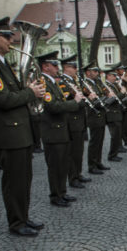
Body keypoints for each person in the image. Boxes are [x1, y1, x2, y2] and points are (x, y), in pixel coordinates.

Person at [0, 17, 46, 237]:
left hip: (18, 131)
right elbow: (3, 99)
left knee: (23, 179)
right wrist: (30, 93)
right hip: (8, 132)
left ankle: (23, 216)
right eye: (6, 36)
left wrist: (25, 90)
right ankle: (16, 222)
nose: (11, 40)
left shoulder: (1, 63)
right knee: (14, 181)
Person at [38, 51, 81, 207]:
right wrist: (75, 102)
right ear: (45, 66)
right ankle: (55, 195)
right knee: (55, 166)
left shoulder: (53, 82)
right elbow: (53, 106)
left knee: (63, 164)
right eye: (54, 65)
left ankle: (62, 192)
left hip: (61, 130)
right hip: (52, 131)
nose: (58, 68)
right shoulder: (43, 82)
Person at [60, 55, 91, 189]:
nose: (76, 70)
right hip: (72, 120)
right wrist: (80, 100)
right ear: (66, 68)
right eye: (73, 67)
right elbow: (67, 101)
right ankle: (72, 177)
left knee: (79, 150)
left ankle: (78, 173)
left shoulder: (74, 81)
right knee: (73, 152)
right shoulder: (63, 82)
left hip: (80, 120)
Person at [103, 66, 127, 162]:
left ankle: (115, 153)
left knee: (118, 135)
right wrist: (121, 93)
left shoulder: (113, 85)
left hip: (117, 112)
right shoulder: (106, 86)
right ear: (108, 76)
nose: (115, 77)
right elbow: (111, 100)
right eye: (113, 75)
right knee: (115, 136)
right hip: (112, 114)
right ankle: (112, 155)